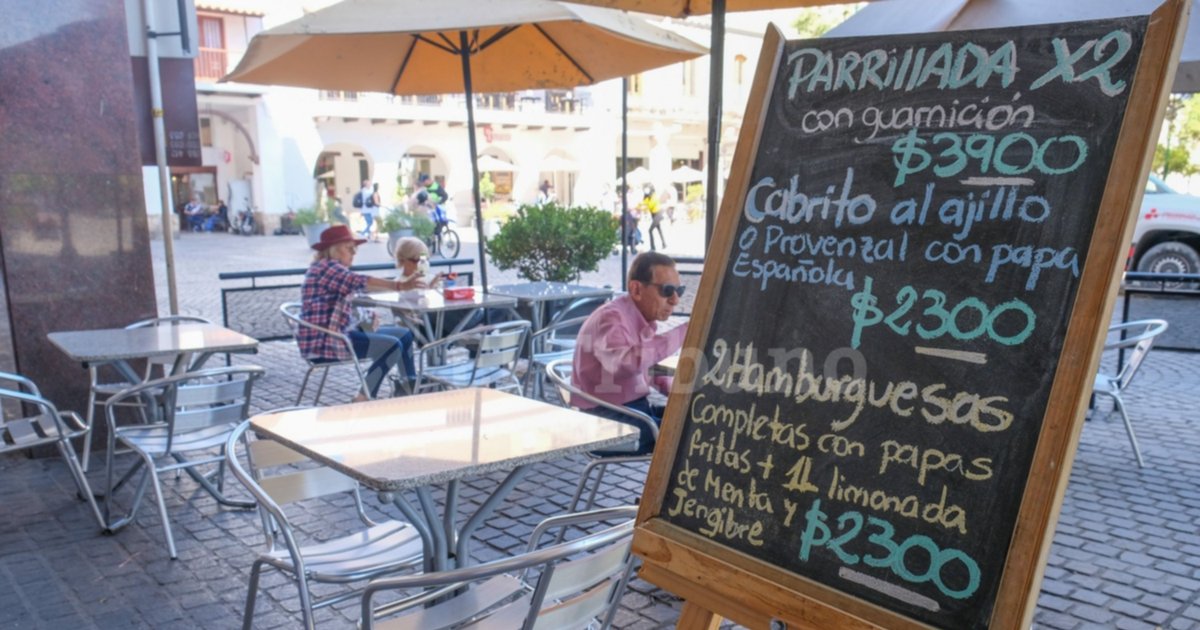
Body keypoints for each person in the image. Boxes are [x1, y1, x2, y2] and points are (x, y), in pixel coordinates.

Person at [572, 252, 688, 454]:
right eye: (667, 290)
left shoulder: (636, 316)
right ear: (636, 289)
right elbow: (624, 364)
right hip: (601, 421)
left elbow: (646, 367)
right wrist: (685, 333)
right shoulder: (611, 318)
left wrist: (682, 395)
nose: (675, 300)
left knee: (694, 419)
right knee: (692, 437)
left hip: (628, 410)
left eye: (679, 290)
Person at [299, 225, 423, 400]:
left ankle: (408, 385)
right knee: (392, 344)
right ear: (333, 250)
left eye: (354, 248)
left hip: (336, 334)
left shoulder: (329, 269)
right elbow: (358, 281)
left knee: (404, 334)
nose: (354, 252)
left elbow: (352, 299)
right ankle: (364, 395)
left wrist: (369, 317)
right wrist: (398, 286)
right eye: (349, 248)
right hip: (326, 342)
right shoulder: (327, 268)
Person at [640, 185, 665, 251]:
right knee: (659, 229)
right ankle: (664, 243)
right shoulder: (647, 197)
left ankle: (653, 247)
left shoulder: (654, 196)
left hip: (658, 213)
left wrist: (645, 206)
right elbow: (642, 204)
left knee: (650, 230)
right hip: (653, 214)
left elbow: (651, 205)